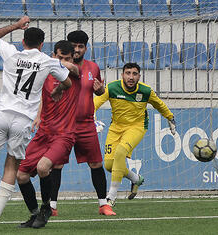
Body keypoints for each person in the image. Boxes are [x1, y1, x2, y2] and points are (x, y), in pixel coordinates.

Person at [0, 16, 72, 229]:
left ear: (23, 42)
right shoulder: (47, 60)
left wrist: (16, 25)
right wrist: (58, 89)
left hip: (2, 115)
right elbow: (67, 81)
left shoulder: (12, 53)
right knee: (12, 165)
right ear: (42, 44)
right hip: (24, 120)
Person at [49, 30, 115, 216]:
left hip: (86, 124)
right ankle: (52, 206)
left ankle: (104, 205)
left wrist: (101, 90)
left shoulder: (93, 68)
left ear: (86, 48)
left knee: (96, 164)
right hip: (63, 124)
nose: (77, 50)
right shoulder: (56, 67)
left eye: (80, 46)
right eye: (74, 46)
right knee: (56, 165)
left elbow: (99, 92)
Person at [17, 40, 81, 229]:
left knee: (43, 167)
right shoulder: (44, 70)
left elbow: (73, 70)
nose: (63, 61)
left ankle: (46, 208)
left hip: (64, 135)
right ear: (53, 55)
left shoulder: (74, 72)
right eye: (59, 57)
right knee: (21, 175)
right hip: (44, 132)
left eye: (67, 58)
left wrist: (59, 70)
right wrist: (37, 115)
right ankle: (35, 214)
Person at [94, 62, 176, 206]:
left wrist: (170, 117)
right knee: (109, 165)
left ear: (139, 76)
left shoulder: (145, 91)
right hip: (116, 128)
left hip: (136, 127)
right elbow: (95, 103)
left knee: (120, 152)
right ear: (122, 75)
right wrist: (91, 117)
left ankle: (111, 196)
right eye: (128, 73)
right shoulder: (113, 87)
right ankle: (135, 178)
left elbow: (159, 104)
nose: (131, 77)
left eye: (134, 74)